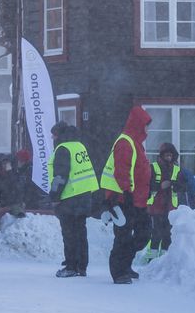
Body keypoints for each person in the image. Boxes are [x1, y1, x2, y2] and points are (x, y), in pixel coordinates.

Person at [100, 106, 152, 284]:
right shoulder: (125, 143)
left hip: (138, 200)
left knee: (143, 234)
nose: (148, 129)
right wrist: (126, 192)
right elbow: (121, 171)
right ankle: (118, 272)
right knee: (123, 236)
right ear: (139, 125)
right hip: (123, 199)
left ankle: (126, 265)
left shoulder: (136, 143)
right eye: (146, 125)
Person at [49, 121, 97, 277]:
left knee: (69, 233)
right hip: (84, 195)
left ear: (59, 135)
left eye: (54, 135)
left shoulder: (63, 149)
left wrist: (55, 196)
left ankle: (71, 266)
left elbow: (60, 176)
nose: (52, 138)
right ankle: (81, 265)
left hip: (70, 197)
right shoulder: (79, 146)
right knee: (80, 233)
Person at [147, 142, 185, 256]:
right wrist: (160, 186)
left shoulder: (177, 169)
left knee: (168, 233)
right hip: (156, 206)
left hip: (170, 207)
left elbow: (183, 187)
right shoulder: (153, 167)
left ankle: (164, 258)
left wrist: (175, 185)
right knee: (156, 233)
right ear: (162, 155)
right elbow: (146, 185)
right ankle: (152, 258)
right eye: (166, 155)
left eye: (171, 155)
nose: (169, 158)